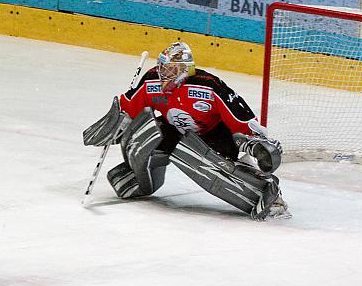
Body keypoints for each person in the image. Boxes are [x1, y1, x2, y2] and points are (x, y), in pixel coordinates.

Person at [83, 41, 290, 220]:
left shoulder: (209, 87)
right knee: (144, 131)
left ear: (185, 70)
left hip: (214, 137)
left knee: (191, 154)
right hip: (176, 131)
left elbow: (241, 118)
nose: (164, 74)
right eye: (162, 67)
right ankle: (140, 180)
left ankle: (263, 190)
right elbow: (129, 108)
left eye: (170, 69)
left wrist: (255, 142)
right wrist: (116, 122)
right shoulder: (151, 81)